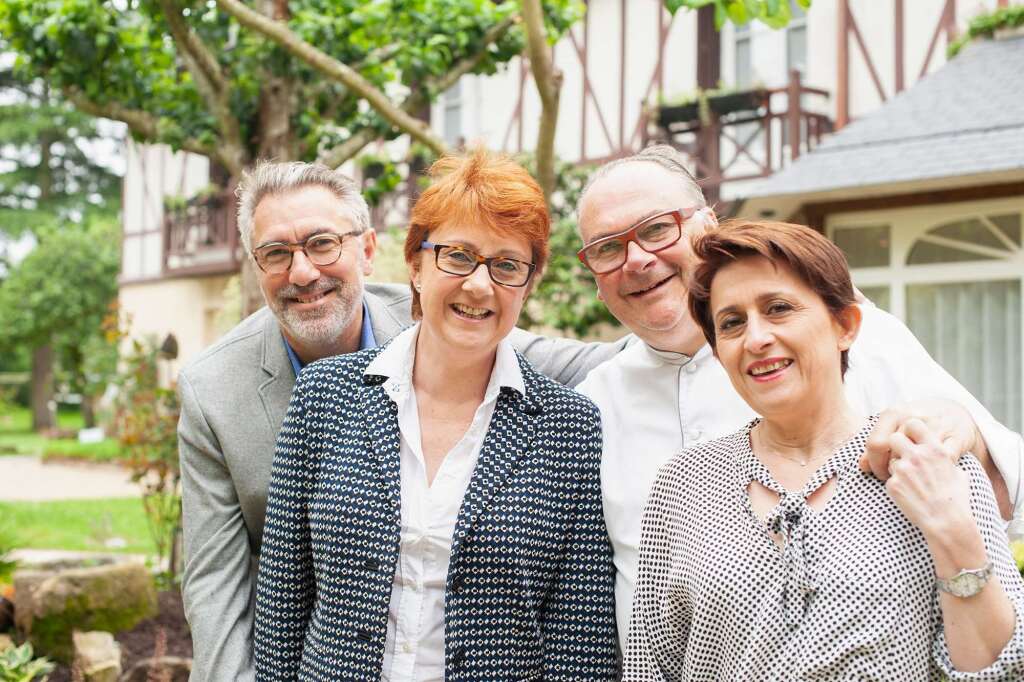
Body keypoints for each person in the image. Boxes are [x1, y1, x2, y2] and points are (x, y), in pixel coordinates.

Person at [178, 161, 626, 681]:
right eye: (457, 256)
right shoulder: (320, 395)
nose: (478, 284)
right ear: (416, 265)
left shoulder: (569, 427)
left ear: (527, 285)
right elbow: (281, 606)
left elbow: (580, 643)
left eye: (507, 265)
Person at [573, 145, 1024, 653]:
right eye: (607, 248)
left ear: (708, 227)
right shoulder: (589, 406)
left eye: (658, 228)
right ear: (594, 279)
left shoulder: (855, 339)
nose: (637, 259)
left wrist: (961, 429)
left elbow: (1008, 489)